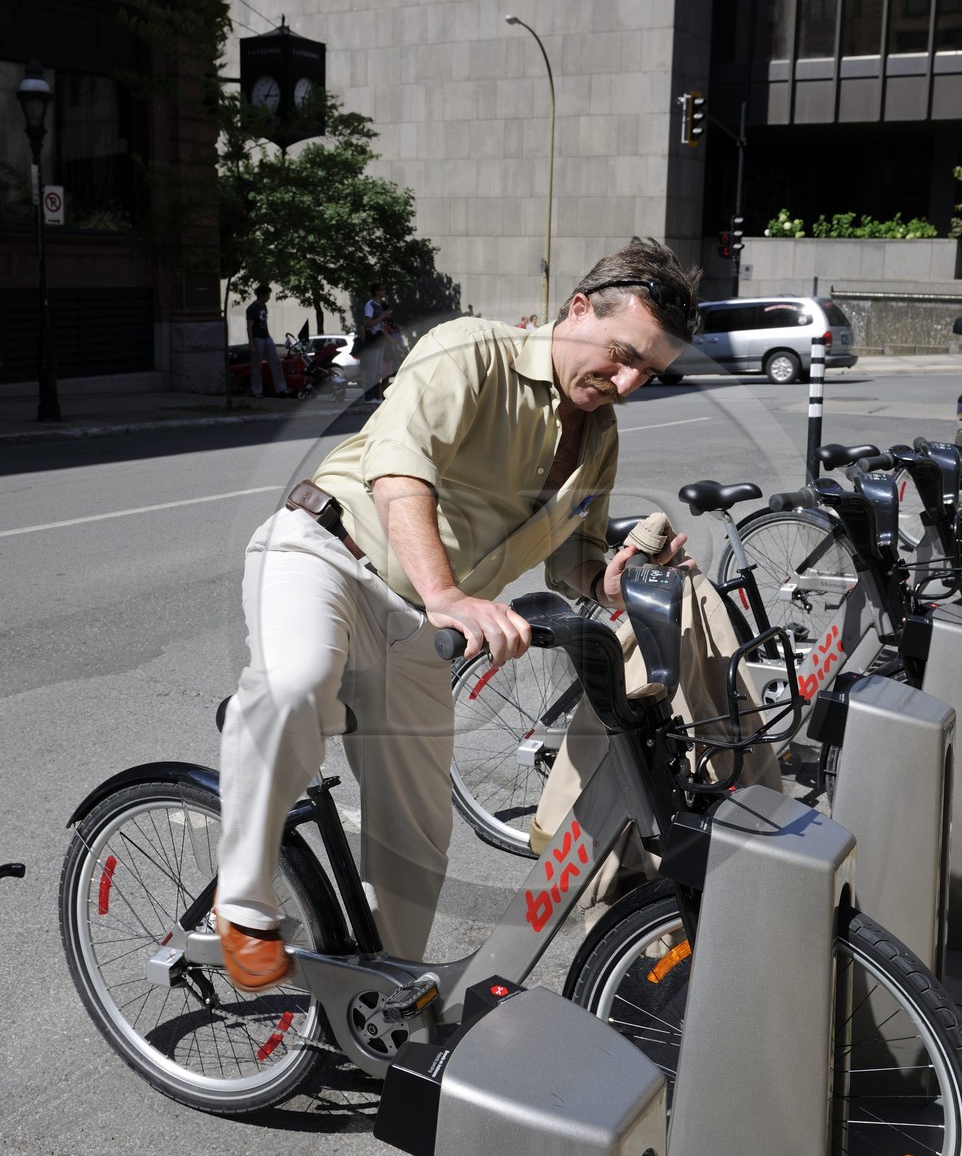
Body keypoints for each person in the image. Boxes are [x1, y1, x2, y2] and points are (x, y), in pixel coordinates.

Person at [214, 239, 699, 991]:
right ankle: (242, 903)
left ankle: (384, 1002)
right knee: (296, 681)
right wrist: (448, 597)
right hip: (326, 554)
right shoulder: (470, 350)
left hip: (417, 621)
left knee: (416, 837)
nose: (630, 381)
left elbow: (571, 560)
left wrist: (611, 581)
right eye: (623, 353)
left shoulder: (598, 437)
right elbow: (397, 466)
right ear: (578, 311)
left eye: (650, 372)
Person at [244, 284, 286, 398]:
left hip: (266, 337)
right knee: (257, 366)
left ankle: (281, 388)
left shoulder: (264, 307)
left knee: (276, 361)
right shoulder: (252, 309)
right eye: (267, 295)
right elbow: (249, 327)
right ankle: (257, 391)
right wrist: (251, 343)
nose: (269, 298)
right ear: (261, 295)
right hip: (257, 339)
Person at [361, 282, 389, 405]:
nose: (384, 291)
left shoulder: (380, 305)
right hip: (372, 340)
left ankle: (376, 395)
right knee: (372, 370)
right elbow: (368, 323)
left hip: (379, 341)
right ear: (376, 291)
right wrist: (382, 317)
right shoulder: (370, 305)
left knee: (377, 370)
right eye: (382, 289)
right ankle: (369, 396)